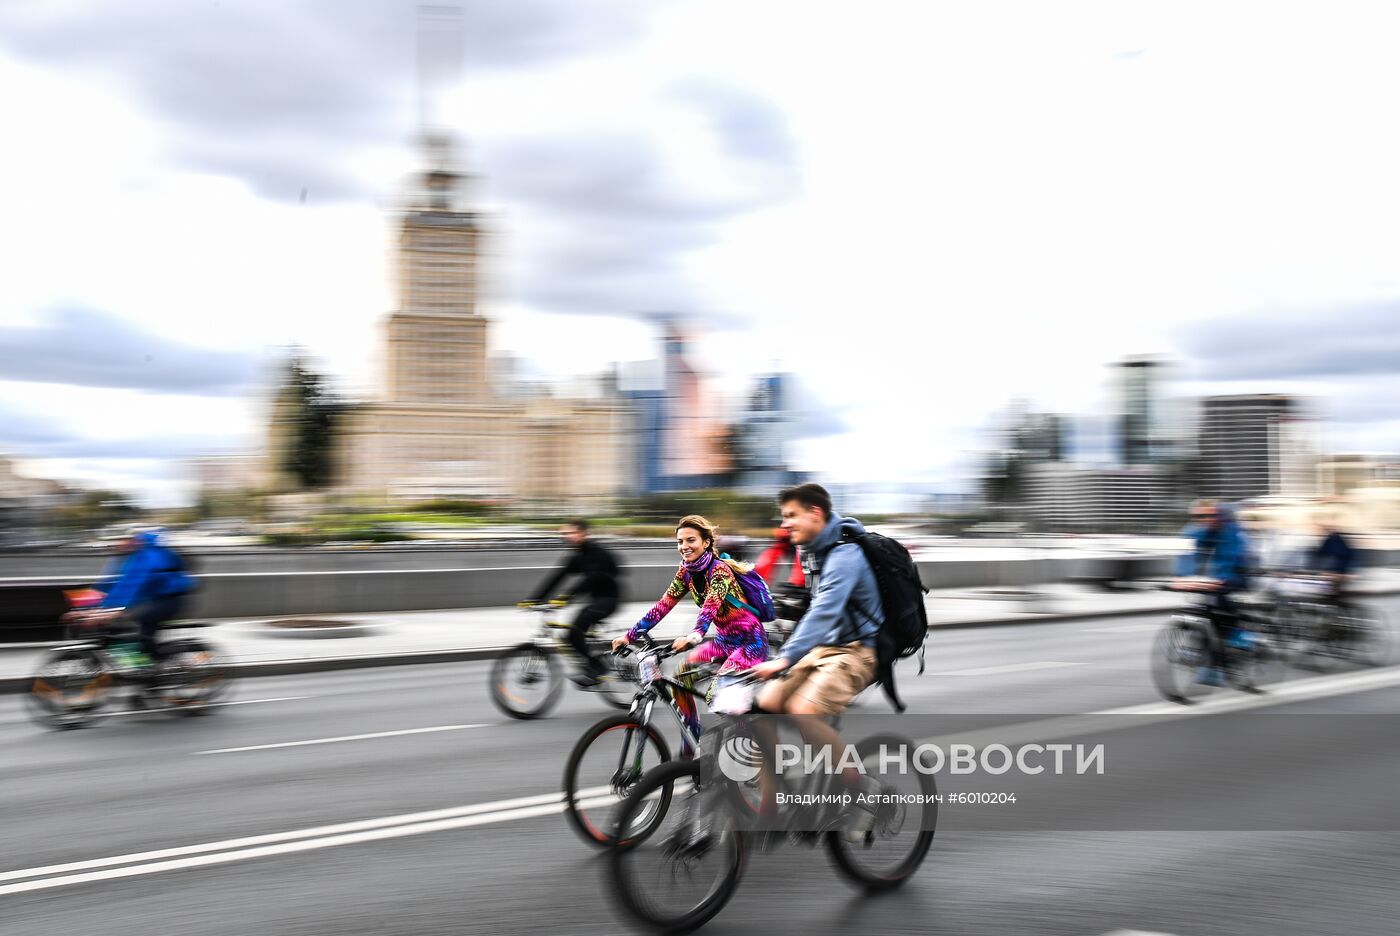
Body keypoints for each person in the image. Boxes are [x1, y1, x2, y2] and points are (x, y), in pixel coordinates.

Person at [748, 483, 884, 837]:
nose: (785, 524)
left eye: (791, 516)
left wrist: (785, 658)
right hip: (822, 650)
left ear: (815, 513)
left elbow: (825, 611)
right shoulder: (811, 551)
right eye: (783, 517)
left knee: (803, 711)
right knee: (762, 709)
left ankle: (863, 790)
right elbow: (805, 604)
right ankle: (772, 804)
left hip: (857, 652)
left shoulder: (844, 555)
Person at [612, 515, 769, 747]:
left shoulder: (720, 571)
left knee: (719, 696)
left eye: (691, 540)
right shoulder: (685, 571)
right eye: (680, 541)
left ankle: (754, 739)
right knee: (680, 679)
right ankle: (693, 746)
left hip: (750, 643)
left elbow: (710, 606)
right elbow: (663, 605)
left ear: (706, 542)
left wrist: (694, 635)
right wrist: (629, 635)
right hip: (724, 641)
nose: (684, 546)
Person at [527, 519, 621, 686]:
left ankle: (598, 669)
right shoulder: (577, 555)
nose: (567, 536)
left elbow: (590, 580)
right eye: (565, 533)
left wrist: (565, 598)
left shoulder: (595, 553)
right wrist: (534, 598)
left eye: (572, 533)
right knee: (574, 632)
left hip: (608, 600)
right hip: (594, 601)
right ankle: (592, 663)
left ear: (584, 533)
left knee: (573, 632)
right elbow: (558, 576)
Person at [89, 528, 197, 668]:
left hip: (169, 601)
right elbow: (119, 585)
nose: (117, 543)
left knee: (139, 622)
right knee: (135, 630)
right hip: (158, 600)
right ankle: (148, 668)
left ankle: (154, 672)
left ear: (136, 541)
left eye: (124, 539)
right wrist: (99, 609)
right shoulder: (135, 557)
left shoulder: (148, 556)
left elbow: (132, 585)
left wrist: (110, 610)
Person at [1175, 499, 1254, 685]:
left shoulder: (1231, 531)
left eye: (1208, 515)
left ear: (1218, 515)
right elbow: (1185, 553)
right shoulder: (1194, 530)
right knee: (1202, 608)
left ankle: (1237, 633)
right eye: (1198, 516)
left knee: (1219, 598)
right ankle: (1204, 650)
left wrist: (1221, 579)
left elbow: (1231, 556)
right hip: (1215, 575)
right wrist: (1182, 577)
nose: (1202, 520)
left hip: (1240, 571)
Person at [1307, 509, 1357, 615]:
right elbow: (1321, 554)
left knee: (1333, 594)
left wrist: (1342, 573)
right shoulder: (1331, 539)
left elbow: (1343, 555)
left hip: (1338, 572)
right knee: (1331, 595)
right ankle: (1336, 612)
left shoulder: (1336, 539)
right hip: (1335, 572)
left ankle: (1339, 613)